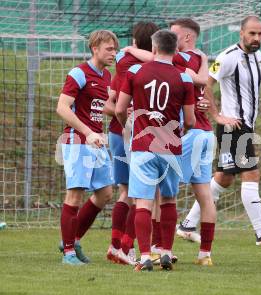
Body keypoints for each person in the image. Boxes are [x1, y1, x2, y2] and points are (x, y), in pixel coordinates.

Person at [177, 16, 261, 247]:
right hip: (233, 126)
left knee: (223, 179)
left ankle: (187, 225)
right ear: (241, 33)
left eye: (260, 34)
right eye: (252, 33)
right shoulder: (228, 57)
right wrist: (217, 115)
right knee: (251, 174)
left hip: (245, 125)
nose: (257, 38)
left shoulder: (257, 56)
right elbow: (206, 83)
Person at [115, 29, 195, 272]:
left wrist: (127, 126)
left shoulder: (135, 71)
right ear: (176, 50)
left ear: (154, 48)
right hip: (170, 147)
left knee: (143, 203)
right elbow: (190, 120)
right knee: (169, 199)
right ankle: (167, 252)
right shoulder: (185, 78)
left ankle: (146, 256)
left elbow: (120, 108)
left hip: (142, 145)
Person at [56, 30, 118, 265]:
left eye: (114, 49)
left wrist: (123, 112)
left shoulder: (107, 76)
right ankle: (69, 253)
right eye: (108, 49)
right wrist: (88, 132)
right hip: (78, 141)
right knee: (74, 195)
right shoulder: (79, 73)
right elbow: (62, 108)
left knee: (105, 193)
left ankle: (72, 239)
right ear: (95, 48)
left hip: (95, 141)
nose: (113, 53)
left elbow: (98, 106)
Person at [103, 21, 159, 266]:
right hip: (135, 133)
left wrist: (130, 50)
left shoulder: (124, 61)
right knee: (141, 195)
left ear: (136, 41)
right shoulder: (156, 66)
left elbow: (112, 102)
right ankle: (126, 247)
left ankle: (116, 246)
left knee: (126, 192)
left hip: (116, 131)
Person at [169, 18, 216, 266]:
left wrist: (131, 50)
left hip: (192, 133)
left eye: (172, 34)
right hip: (206, 133)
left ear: (187, 38)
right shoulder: (199, 59)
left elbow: (154, 55)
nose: (167, 38)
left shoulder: (184, 59)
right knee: (205, 197)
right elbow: (202, 81)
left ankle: (161, 248)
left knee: (163, 191)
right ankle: (205, 255)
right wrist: (205, 60)